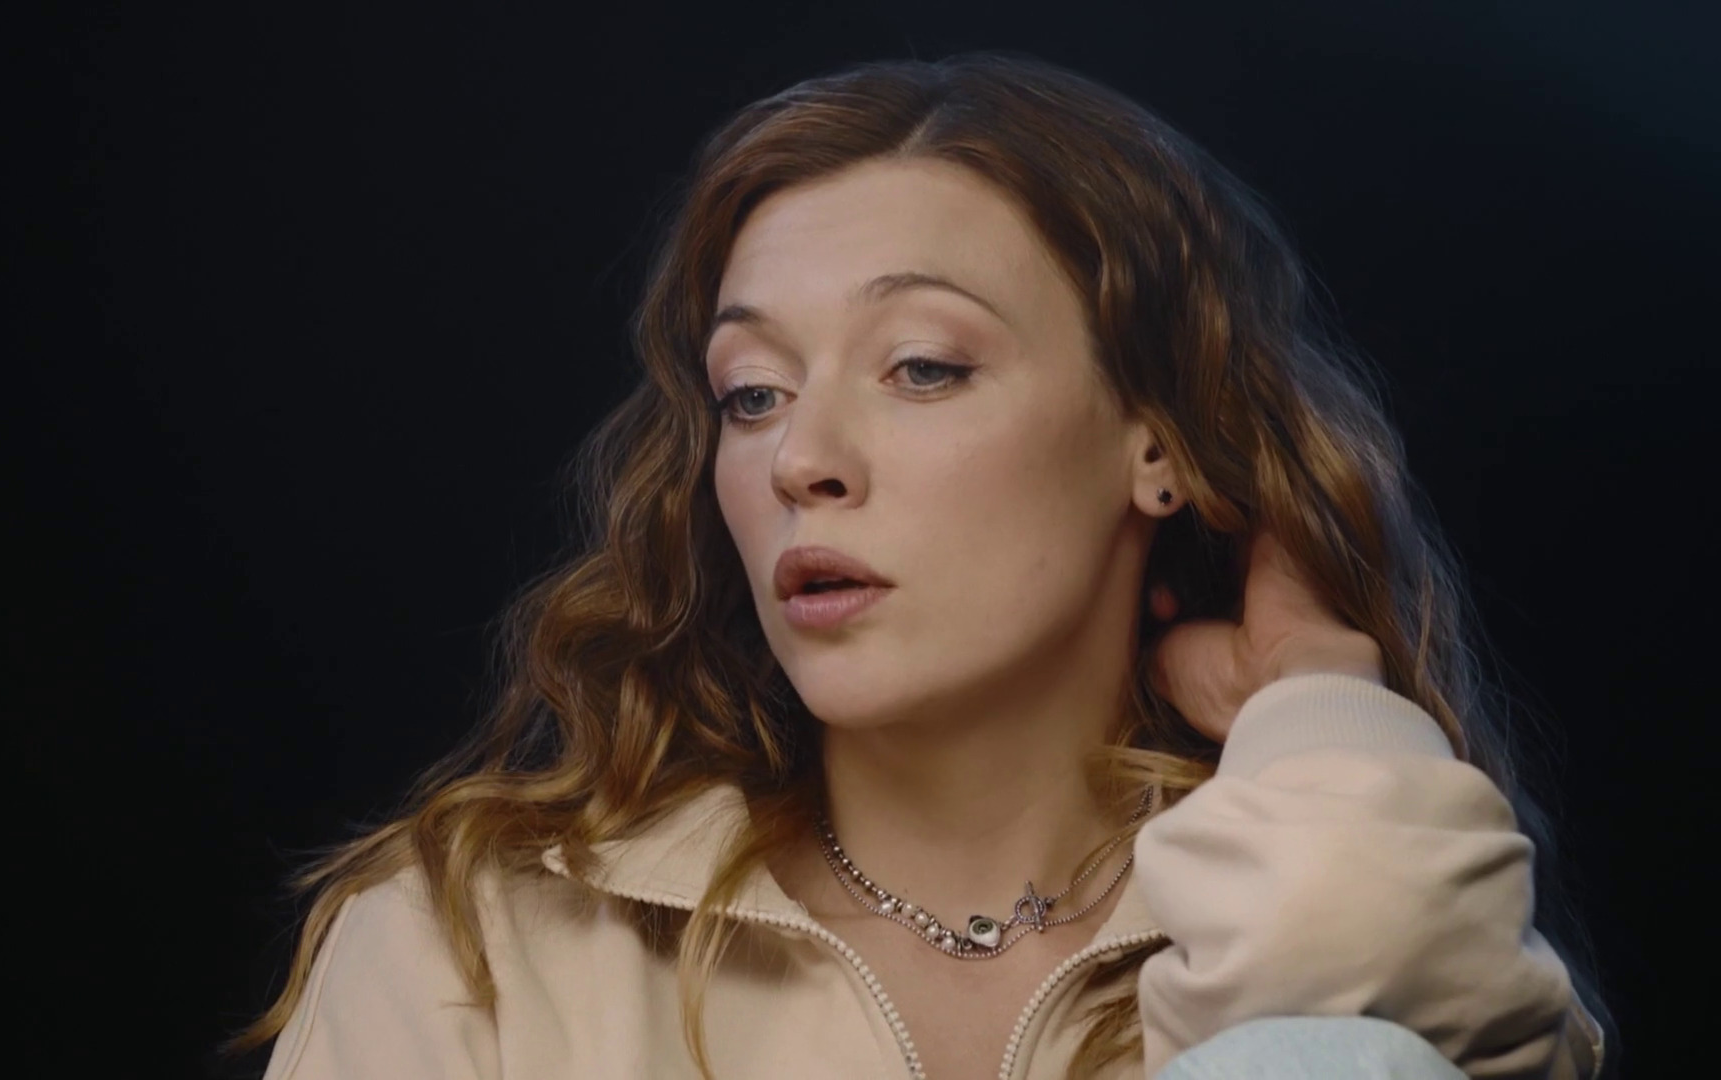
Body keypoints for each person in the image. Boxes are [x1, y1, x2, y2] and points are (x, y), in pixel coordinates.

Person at [226, 52, 1611, 1079]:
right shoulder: (476, 951)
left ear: (1158, 444)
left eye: (924, 367)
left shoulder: (1314, 879)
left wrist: (1314, 694)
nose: (799, 460)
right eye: (752, 393)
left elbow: (1372, 1034)